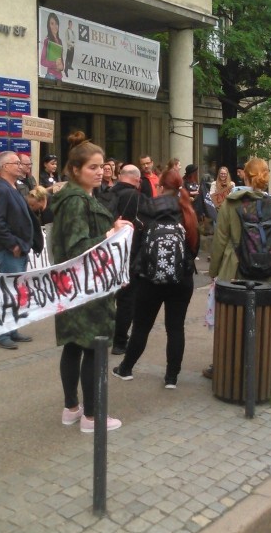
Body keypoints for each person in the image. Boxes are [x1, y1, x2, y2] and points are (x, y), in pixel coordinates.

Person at [50, 131, 130, 433]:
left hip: (78, 286)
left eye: (102, 166)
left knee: (74, 346)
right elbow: (75, 247)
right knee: (92, 348)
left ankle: (72, 409)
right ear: (75, 170)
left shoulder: (80, 197)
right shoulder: (75, 201)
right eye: (92, 167)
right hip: (84, 287)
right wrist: (110, 235)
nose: (100, 172)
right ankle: (92, 416)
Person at [112, 168, 199, 388]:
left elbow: (137, 243)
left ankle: (126, 368)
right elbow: (194, 248)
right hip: (182, 278)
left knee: (141, 326)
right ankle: (171, 378)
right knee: (176, 327)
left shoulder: (148, 208)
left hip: (150, 279)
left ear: (160, 187)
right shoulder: (187, 209)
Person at [203, 158, 271, 379]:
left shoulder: (232, 202)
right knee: (260, 323)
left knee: (230, 322)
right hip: (266, 271)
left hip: (234, 269)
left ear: (244, 175)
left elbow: (220, 239)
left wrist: (214, 271)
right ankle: (256, 370)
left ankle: (225, 368)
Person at [0, 151, 34, 349]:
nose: (21, 166)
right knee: (8, 292)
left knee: (17, 292)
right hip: (10, 251)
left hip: (20, 248)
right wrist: (12, 244)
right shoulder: (1, 190)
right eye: (16, 163)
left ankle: (12, 329)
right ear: (5, 167)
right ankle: (2, 334)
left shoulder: (13, 188)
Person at [109, 165, 145, 356]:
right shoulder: (136, 198)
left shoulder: (105, 194)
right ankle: (120, 341)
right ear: (137, 180)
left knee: (105, 296)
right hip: (128, 254)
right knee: (126, 299)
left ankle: (102, 335)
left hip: (104, 252)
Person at [40, 11, 64, 81]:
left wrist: (62, 67)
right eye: (52, 24)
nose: (54, 26)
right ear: (49, 25)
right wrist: (55, 64)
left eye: (56, 24)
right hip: (51, 76)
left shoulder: (60, 41)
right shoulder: (47, 41)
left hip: (60, 77)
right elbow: (42, 61)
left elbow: (61, 59)